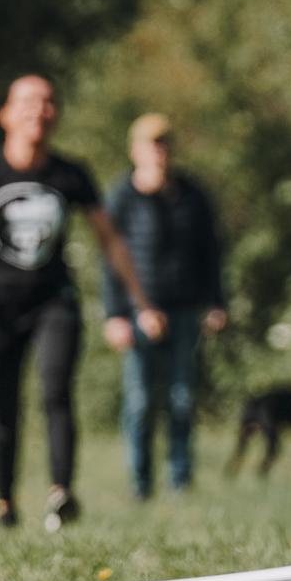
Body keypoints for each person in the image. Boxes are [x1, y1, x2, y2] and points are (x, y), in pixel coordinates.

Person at [0, 75, 163, 531]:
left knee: (56, 393)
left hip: (54, 302)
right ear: (6, 114)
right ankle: (4, 503)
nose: (40, 109)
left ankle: (61, 494)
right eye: (29, 101)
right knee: (3, 410)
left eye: (49, 101)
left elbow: (110, 241)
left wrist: (142, 303)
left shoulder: (71, 174)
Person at [100, 114, 227, 499]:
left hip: (185, 309)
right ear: (134, 149)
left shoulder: (192, 195)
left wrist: (216, 301)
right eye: (150, 143)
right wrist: (115, 315)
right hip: (138, 311)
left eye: (164, 143)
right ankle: (140, 484)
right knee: (139, 401)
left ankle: (180, 481)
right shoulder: (121, 196)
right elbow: (109, 258)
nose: (158, 151)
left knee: (182, 399)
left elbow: (211, 253)